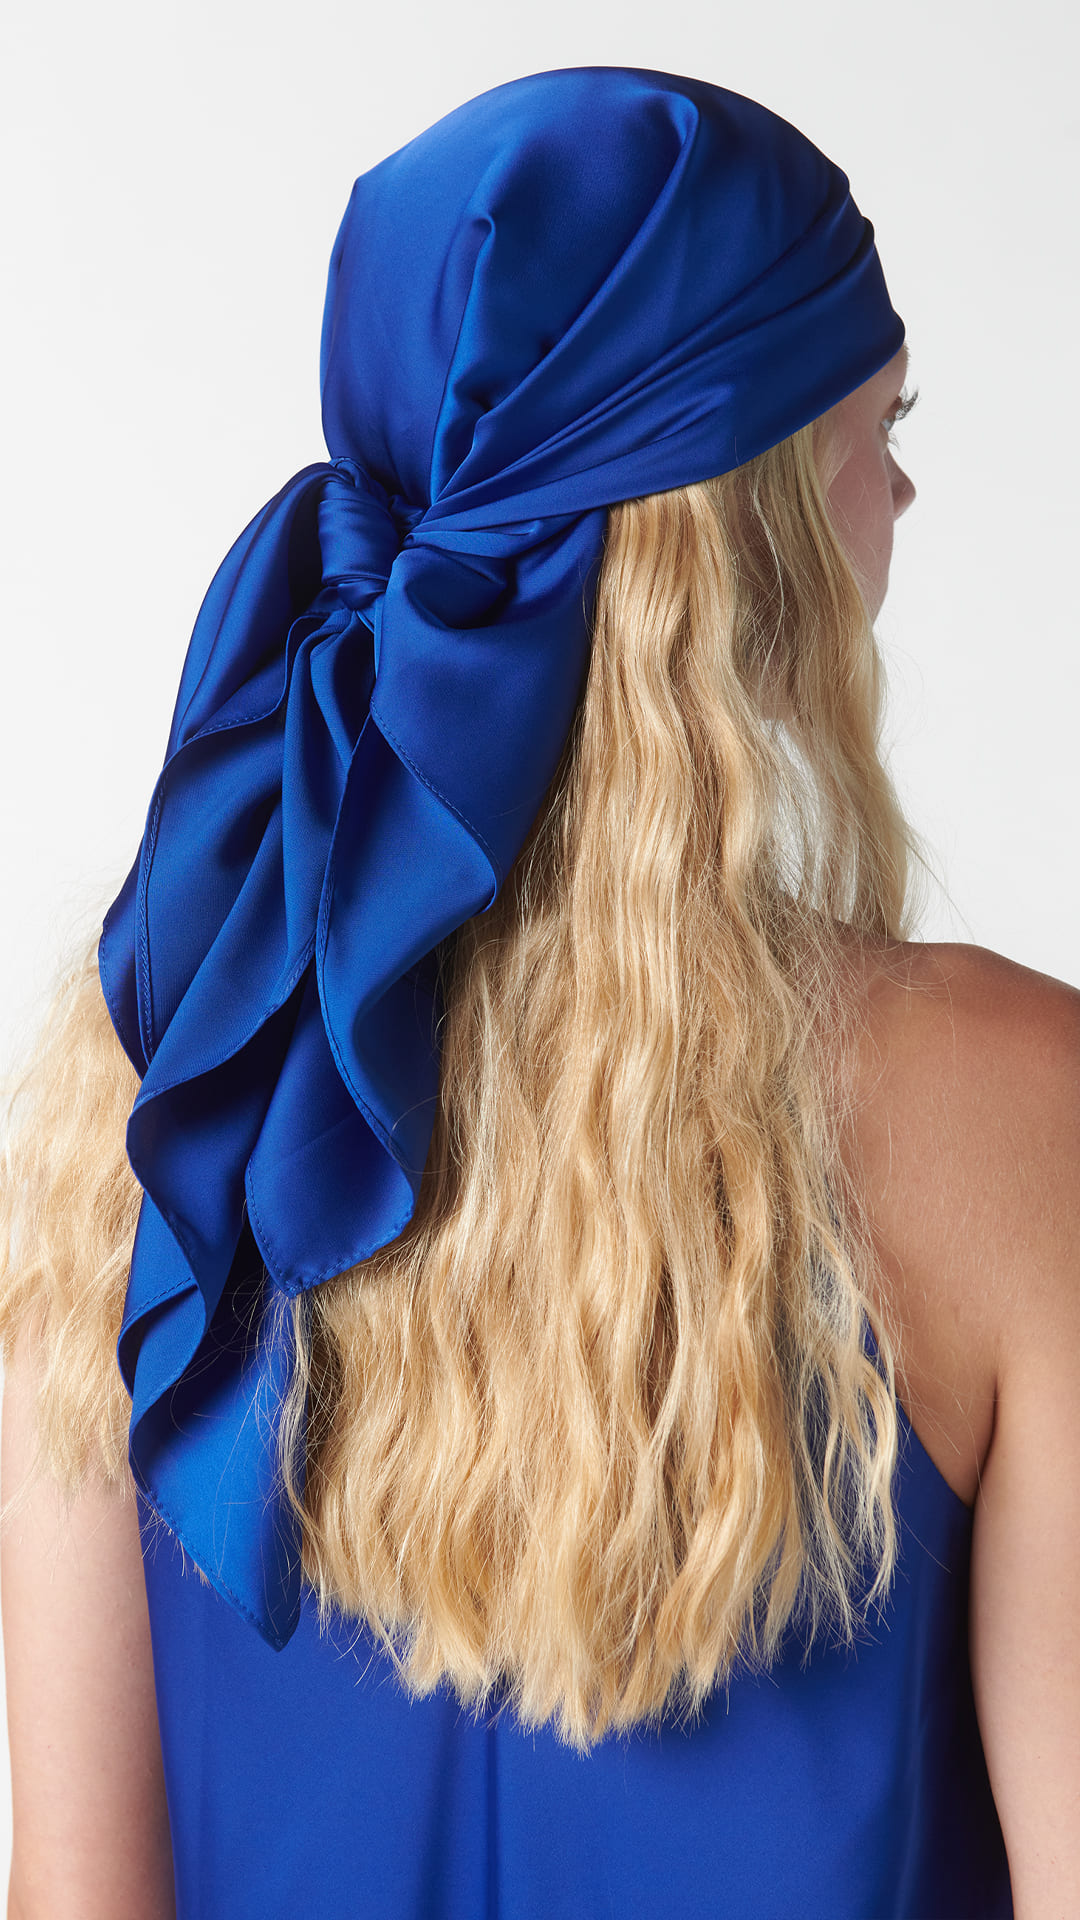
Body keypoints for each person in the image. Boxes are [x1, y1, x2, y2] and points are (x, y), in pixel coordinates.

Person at [0, 64, 1076, 1920]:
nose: (902, 487)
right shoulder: (1014, 1106)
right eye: (878, 422)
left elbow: (77, 1891)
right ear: (747, 518)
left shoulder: (147, 1097)